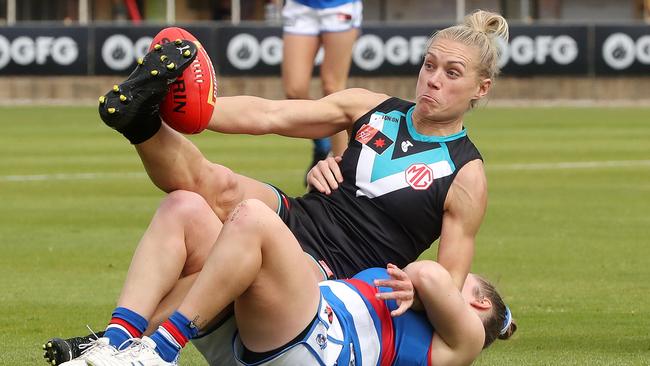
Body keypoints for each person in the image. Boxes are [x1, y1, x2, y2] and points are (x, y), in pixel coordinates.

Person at [44, 9, 510, 364]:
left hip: (329, 276)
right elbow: (271, 115)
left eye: (452, 74)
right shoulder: (372, 107)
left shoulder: (466, 174)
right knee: (198, 197)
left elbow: (448, 280)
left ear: (480, 89)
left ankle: (142, 344)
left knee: (247, 224)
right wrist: (199, 112)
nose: (433, 80)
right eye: (430, 65)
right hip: (301, 217)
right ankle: (144, 120)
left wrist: (414, 285)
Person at [59, 199, 515, 366]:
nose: (453, 271)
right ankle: (116, 343)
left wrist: (421, 282)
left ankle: (160, 352)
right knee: (185, 209)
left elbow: (431, 273)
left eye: (465, 281)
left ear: (476, 305)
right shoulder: (409, 299)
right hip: (281, 330)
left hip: (320, 349)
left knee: (255, 219)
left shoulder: (466, 341)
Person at [280, 0, 363, 177]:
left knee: (333, 86)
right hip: (300, 6)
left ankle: (343, 171)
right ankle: (323, 145)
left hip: (340, 5)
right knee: (294, 90)